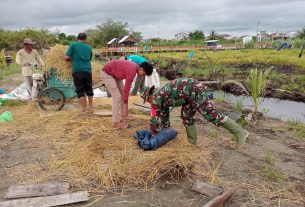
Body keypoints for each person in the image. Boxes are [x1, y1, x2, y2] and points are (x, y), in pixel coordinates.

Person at [140, 78, 249, 148]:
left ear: (149, 95)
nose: (148, 103)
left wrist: (153, 135)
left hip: (193, 90)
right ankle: (192, 143)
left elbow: (154, 118)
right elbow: (164, 117)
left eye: (147, 100)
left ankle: (240, 132)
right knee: (186, 117)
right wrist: (165, 134)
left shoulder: (156, 97)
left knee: (211, 114)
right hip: (188, 95)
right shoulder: (161, 97)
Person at [101, 59, 153, 129]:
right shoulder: (132, 70)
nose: (143, 76)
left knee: (122, 94)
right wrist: (126, 104)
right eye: (144, 74)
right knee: (117, 97)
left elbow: (125, 92)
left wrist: (126, 106)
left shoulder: (134, 68)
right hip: (107, 73)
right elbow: (127, 88)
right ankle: (115, 122)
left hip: (115, 74)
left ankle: (123, 115)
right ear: (141, 69)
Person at [63, 33, 93, 113]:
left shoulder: (73, 45)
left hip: (77, 70)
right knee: (89, 89)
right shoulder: (89, 47)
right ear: (85, 39)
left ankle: (84, 109)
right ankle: (91, 108)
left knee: (80, 90)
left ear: (77, 38)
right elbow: (89, 59)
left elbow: (66, 57)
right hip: (88, 70)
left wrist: (66, 58)